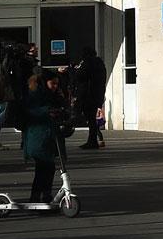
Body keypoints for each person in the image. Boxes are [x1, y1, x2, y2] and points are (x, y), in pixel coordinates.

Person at [19, 73, 65, 205]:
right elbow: (30, 111)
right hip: (37, 138)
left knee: (47, 168)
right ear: (45, 82)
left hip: (47, 138)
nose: (55, 86)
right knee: (43, 169)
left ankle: (43, 196)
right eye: (53, 83)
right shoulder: (35, 95)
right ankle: (39, 197)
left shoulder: (52, 95)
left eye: (57, 84)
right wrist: (48, 111)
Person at [74, 47, 108, 150]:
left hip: (88, 94)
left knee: (90, 118)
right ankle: (93, 139)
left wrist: (75, 69)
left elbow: (80, 75)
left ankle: (92, 141)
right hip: (97, 94)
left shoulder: (88, 63)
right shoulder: (100, 64)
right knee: (92, 118)